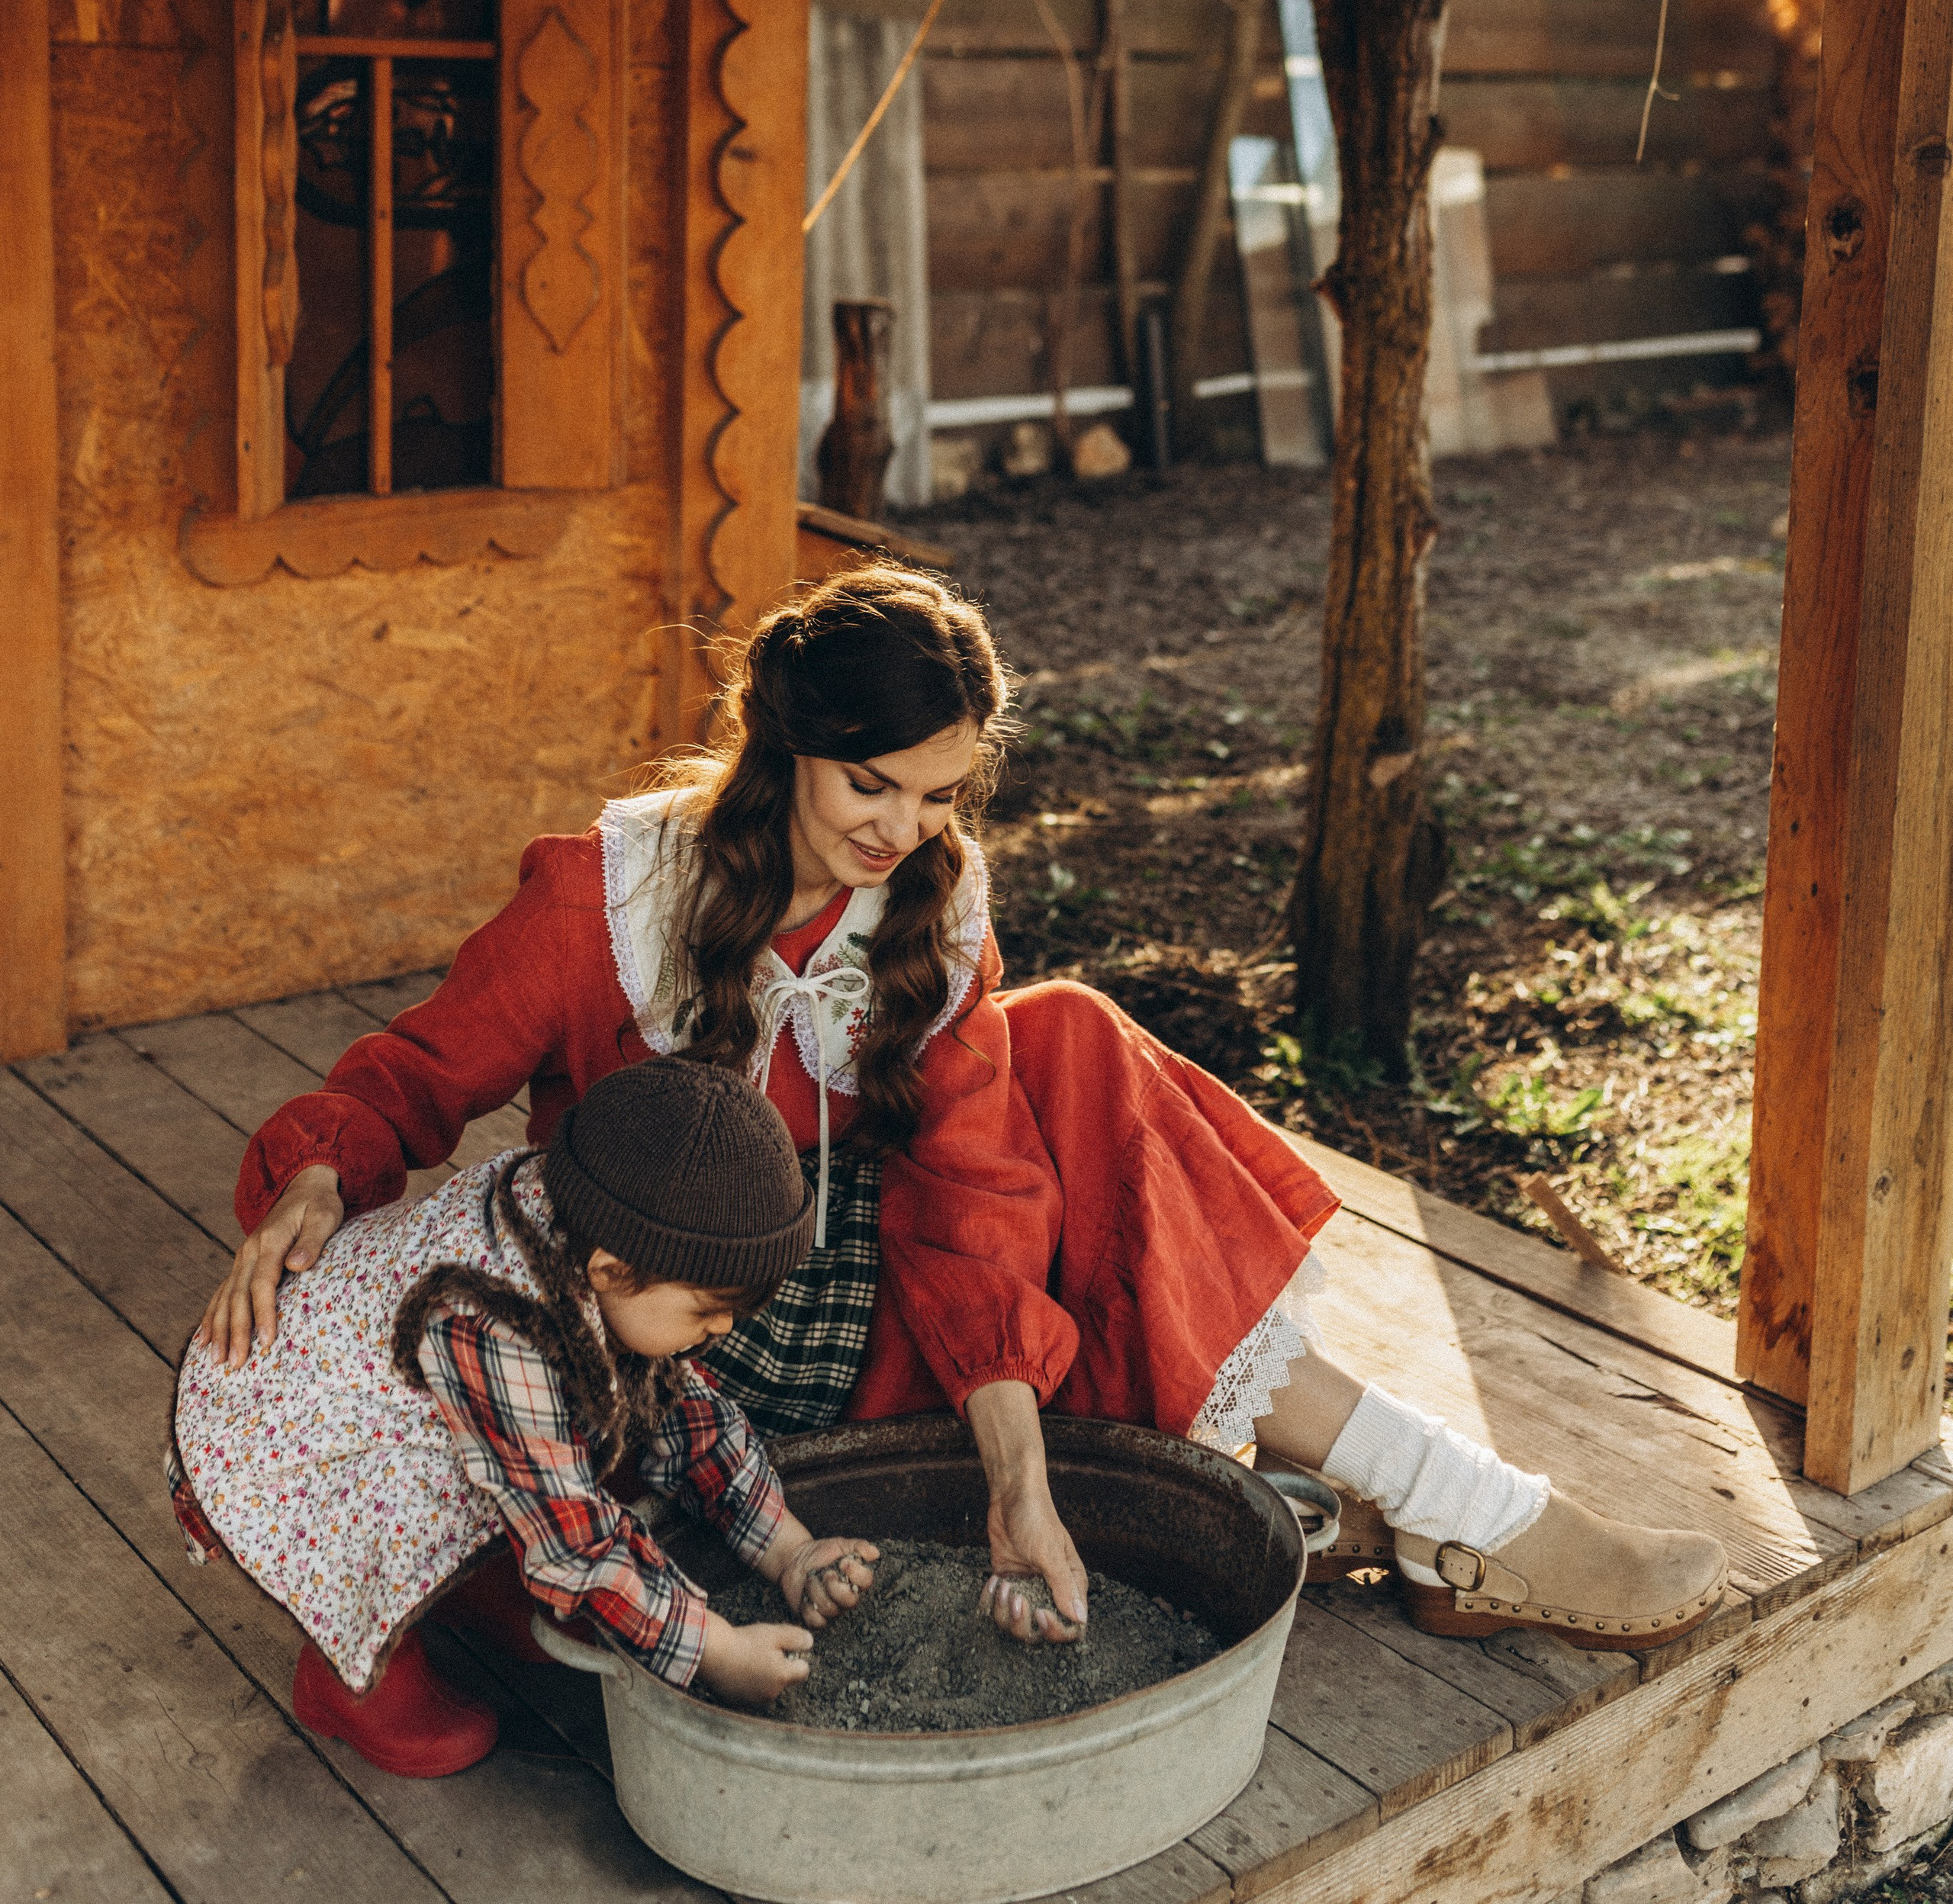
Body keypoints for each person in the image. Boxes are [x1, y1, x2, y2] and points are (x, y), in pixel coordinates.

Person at [204, 565, 1726, 1656]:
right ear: (784, 744)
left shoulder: (929, 908)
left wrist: (1012, 1477)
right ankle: (1395, 1508)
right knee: (1072, 1090)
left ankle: (1447, 1502)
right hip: (674, 1334)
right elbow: (418, 1074)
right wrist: (323, 1172)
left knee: (1063, 1050)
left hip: (866, 1305)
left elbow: (974, 1202)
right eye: (871, 784)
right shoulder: (604, 897)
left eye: (940, 795)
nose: (903, 830)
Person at [172, 1060, 881, 1774]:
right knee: (491, 1476)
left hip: (376, 1392)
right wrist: (716, 1650)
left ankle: (466, 1591)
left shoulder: (594, 1224)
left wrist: (790, 1551)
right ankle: (351, 1684)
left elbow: (679, 1410)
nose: (723, 1328)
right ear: (609, 1272)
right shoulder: (488, 1320)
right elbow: (570, 1537)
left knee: (559, 1433)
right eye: (708, 1309)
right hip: (277, 1439)